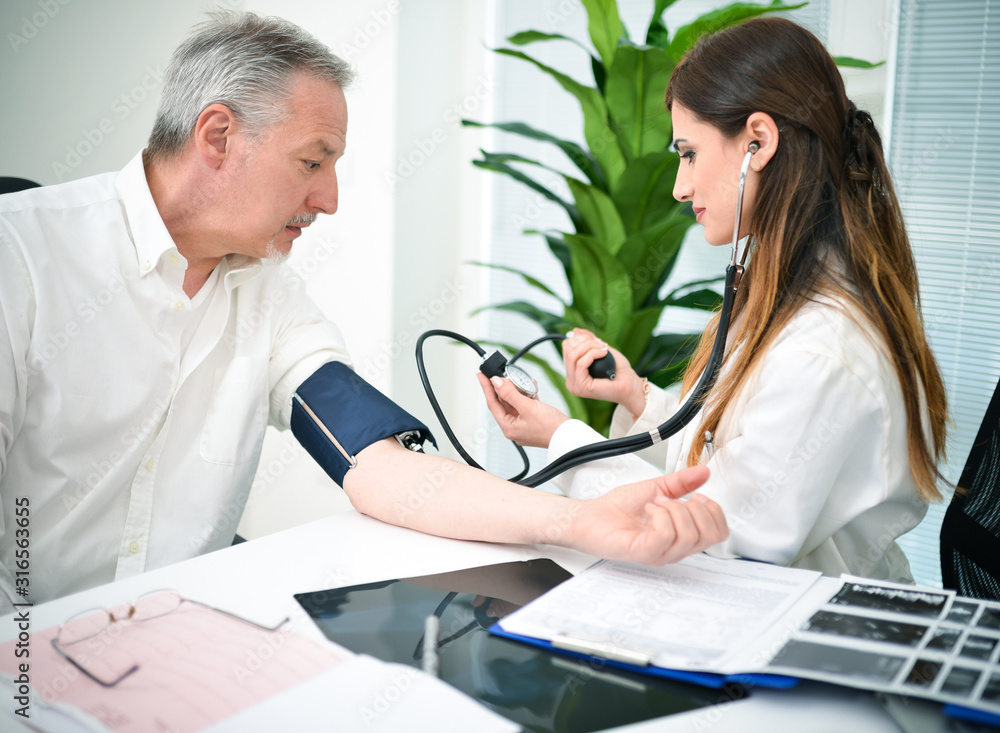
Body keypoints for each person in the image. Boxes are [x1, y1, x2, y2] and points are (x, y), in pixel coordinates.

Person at [0, 11, 728, 613]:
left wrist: (580, 522)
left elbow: (376, 463)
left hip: (182, 643)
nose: (330, 199)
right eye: (313, 162)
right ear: (217, 137)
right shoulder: (22, 257)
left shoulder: (271, 295)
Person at [479, 16, 948, 583]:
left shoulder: (823, 348)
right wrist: (638, 397)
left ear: (758, 142)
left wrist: (560, 439)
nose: (680, 186)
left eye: (689, 153)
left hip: (808, 636)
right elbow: (725, 470)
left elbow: (720, 534)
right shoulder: (792, 300)